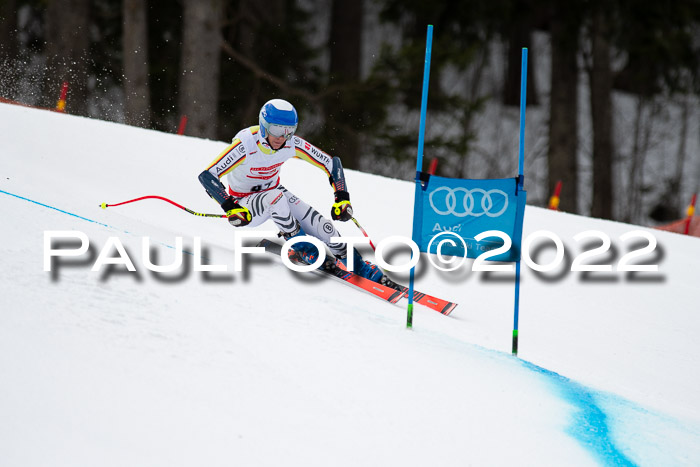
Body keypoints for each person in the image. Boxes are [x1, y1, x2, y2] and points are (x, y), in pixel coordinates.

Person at [198, 98, 390, 285]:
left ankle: (359, 267)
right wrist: (230, 206)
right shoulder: (245, 144)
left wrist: (341, 198)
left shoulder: (291, 143)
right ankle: (300, 247)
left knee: (323, 227)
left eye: (289, 131)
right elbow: (208, 176)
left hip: (275, 193)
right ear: (264, 126)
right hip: (245, 205)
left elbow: (331, 164)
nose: (282, 137)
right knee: (276, 198)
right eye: (277, 130)